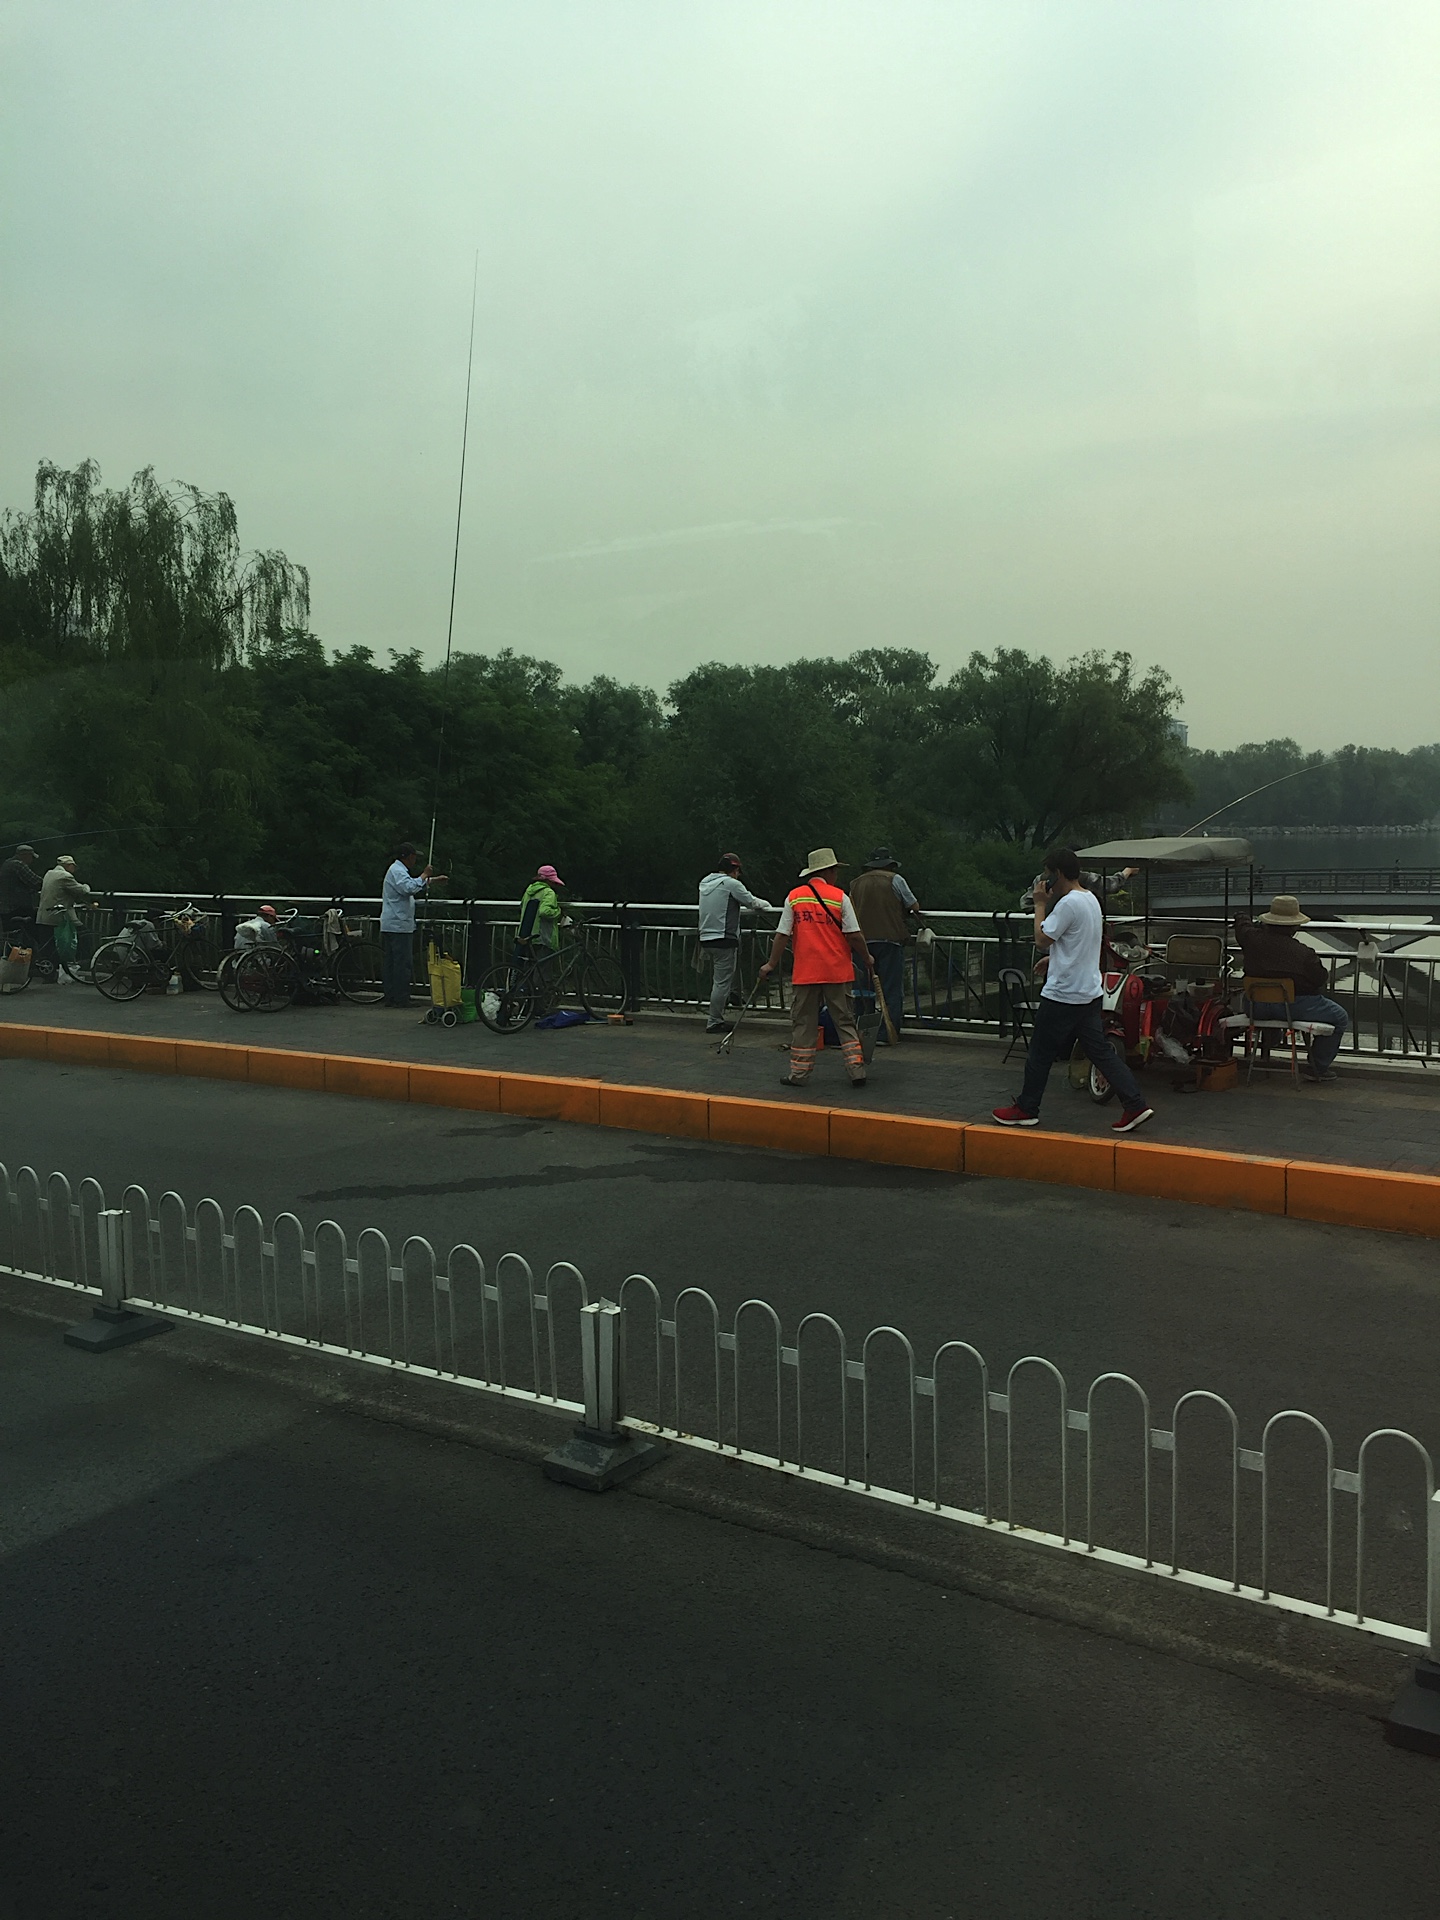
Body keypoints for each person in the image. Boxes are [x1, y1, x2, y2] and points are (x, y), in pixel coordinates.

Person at [992, 846, 1154, 1133]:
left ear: (1058, 873)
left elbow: (1042, 939)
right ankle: (1135, 1104)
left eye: (1048, 874)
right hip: (1088, 993)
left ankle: (1027, 1108)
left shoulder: (1067, 904)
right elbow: (1078, 943)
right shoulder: (1090, 899)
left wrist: (1040, 904)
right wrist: (1054, 958)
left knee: (1040, 1054)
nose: (1045, 880)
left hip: (1063, 994)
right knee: (1101, 1052)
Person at [758, 846, 872, 1089]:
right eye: (835, 871)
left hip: (806, 972)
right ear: (829, 871)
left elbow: (782, 935)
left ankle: (799, 1074)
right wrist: (867, 957)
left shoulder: (794, 897)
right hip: (837, 970)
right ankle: (857, 1070)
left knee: (804, 1023)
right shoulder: (840, 897)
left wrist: (771, 964)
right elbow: (854, 935)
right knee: (844, 1020)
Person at [1233, 895, 1348, 1083]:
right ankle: (1317, 1068)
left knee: (1271, 1007)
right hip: (1292, 1007)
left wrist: (1242, 917)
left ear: (1267, 922)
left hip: (1255, 1006)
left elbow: (1242, 929)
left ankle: (1271, 1039)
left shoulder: (1252, 939)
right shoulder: (1304, 953)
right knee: (1340, 1017)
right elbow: (1320, 978)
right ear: (1295, 927)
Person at [849, 847, 921, 1042]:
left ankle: (864, 1033)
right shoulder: (895, 880)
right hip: (890, 941)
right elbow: (914, 906)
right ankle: (888, 1033)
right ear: (889, 864)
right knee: (890, 989)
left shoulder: (855, 883)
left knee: (863, 991)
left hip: (861, 942)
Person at [697, 854, 773, 1035]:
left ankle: (734, 995)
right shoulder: (731, 884)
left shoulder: (705, 882)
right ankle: (714, 1021)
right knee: (721, 982)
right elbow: (752, 902)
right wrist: (768, 906)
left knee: (720, 980)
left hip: (706, 937)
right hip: (724, 938)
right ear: (735, 870)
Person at [380, 842, 446, 1007]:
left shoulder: (397, 870)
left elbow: (411, 884)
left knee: (392, 962)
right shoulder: (397, 871)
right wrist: (424, 875)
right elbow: (408, 888)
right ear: (408, 857)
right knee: (402, 963)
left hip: (393, 923)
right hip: (399, 925)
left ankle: (391, 996)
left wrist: (431, 880)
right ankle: (400, 998)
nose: (415, 860)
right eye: (414, 856)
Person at [36, 855, 93, 974]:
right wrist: (86, 886)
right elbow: (81, 890)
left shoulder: (49, 873)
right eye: (73, 866)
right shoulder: (65, 876)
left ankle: (49, 973)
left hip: (44, 915)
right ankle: (84, 961)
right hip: (59, 916)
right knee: (83, 934)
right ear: (69, 865)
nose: (74, 869)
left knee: (49, 946)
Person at [0, 844, 42, 934]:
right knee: (38, 923)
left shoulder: (7, 863)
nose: (32, 860)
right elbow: (36, 882)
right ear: (25, 855)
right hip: (16, 908)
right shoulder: (18, 865)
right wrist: (48, 882)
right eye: (31, 857)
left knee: (12, 935)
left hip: (5, 909)